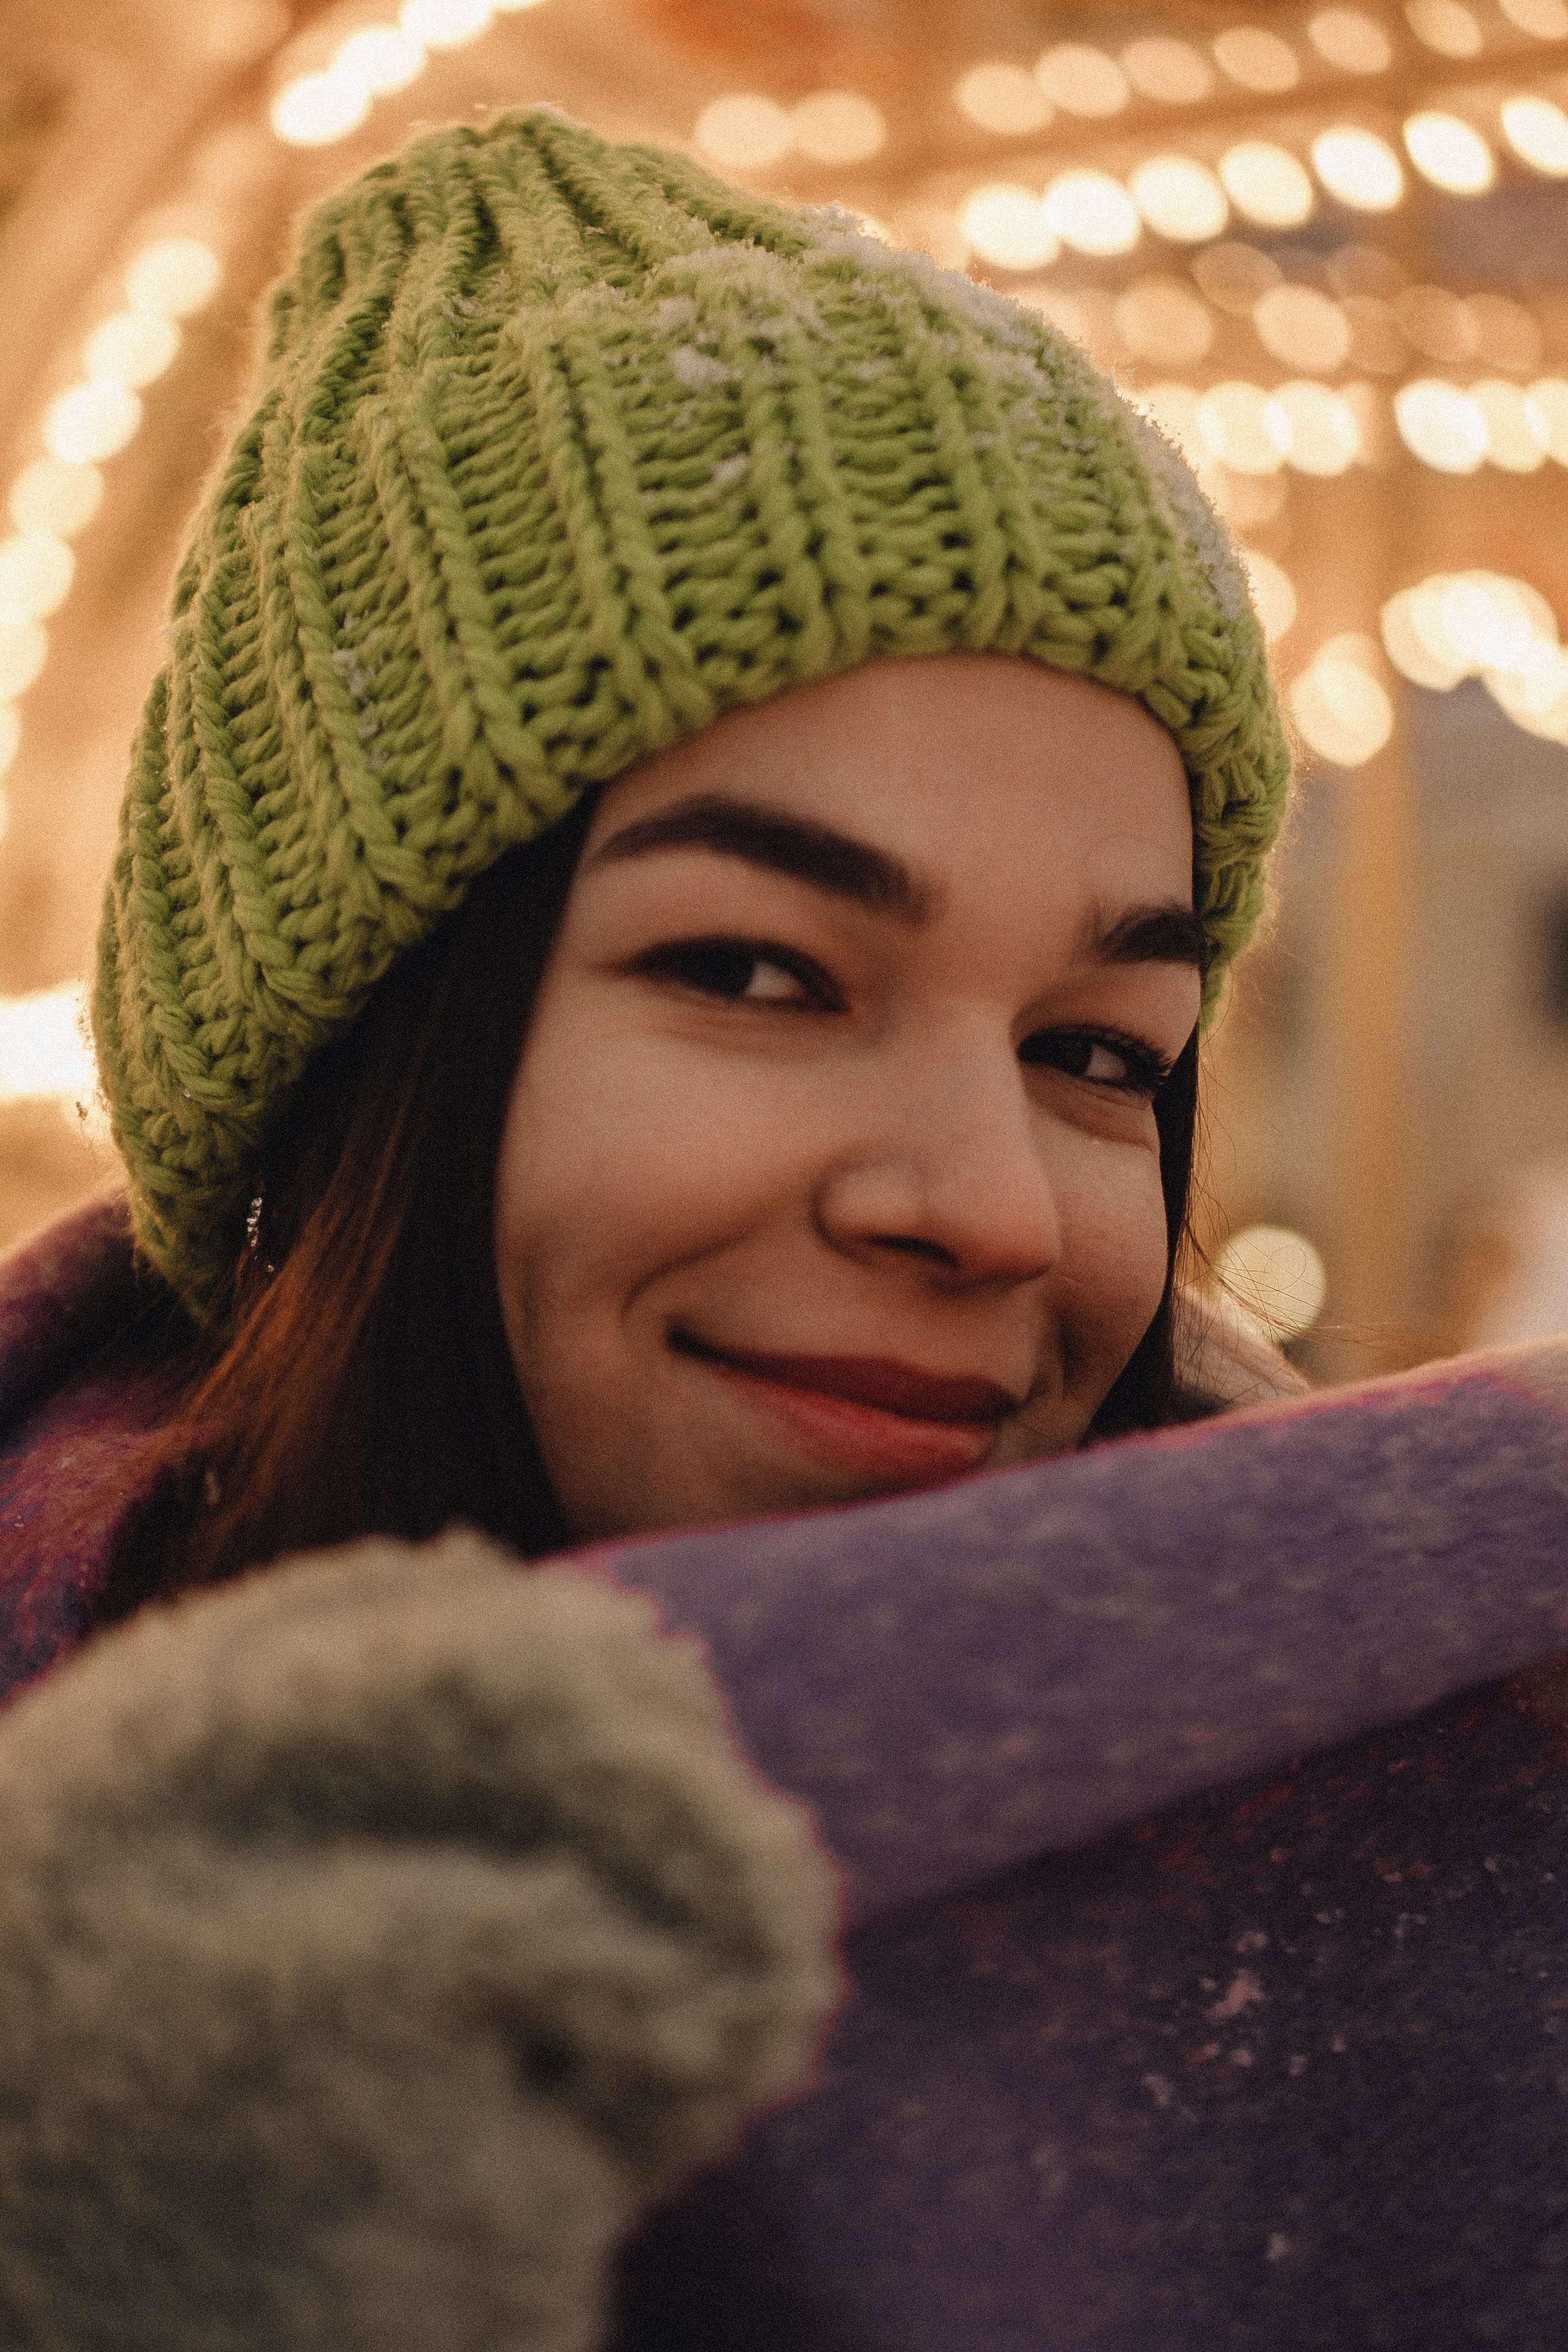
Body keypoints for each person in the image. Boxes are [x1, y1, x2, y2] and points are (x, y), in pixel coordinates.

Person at [4, 106, 1568, 2352]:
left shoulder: (1432, 1856)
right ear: (358, 1054)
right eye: (757, 973)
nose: (991, 1209)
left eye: (1098, 1051)